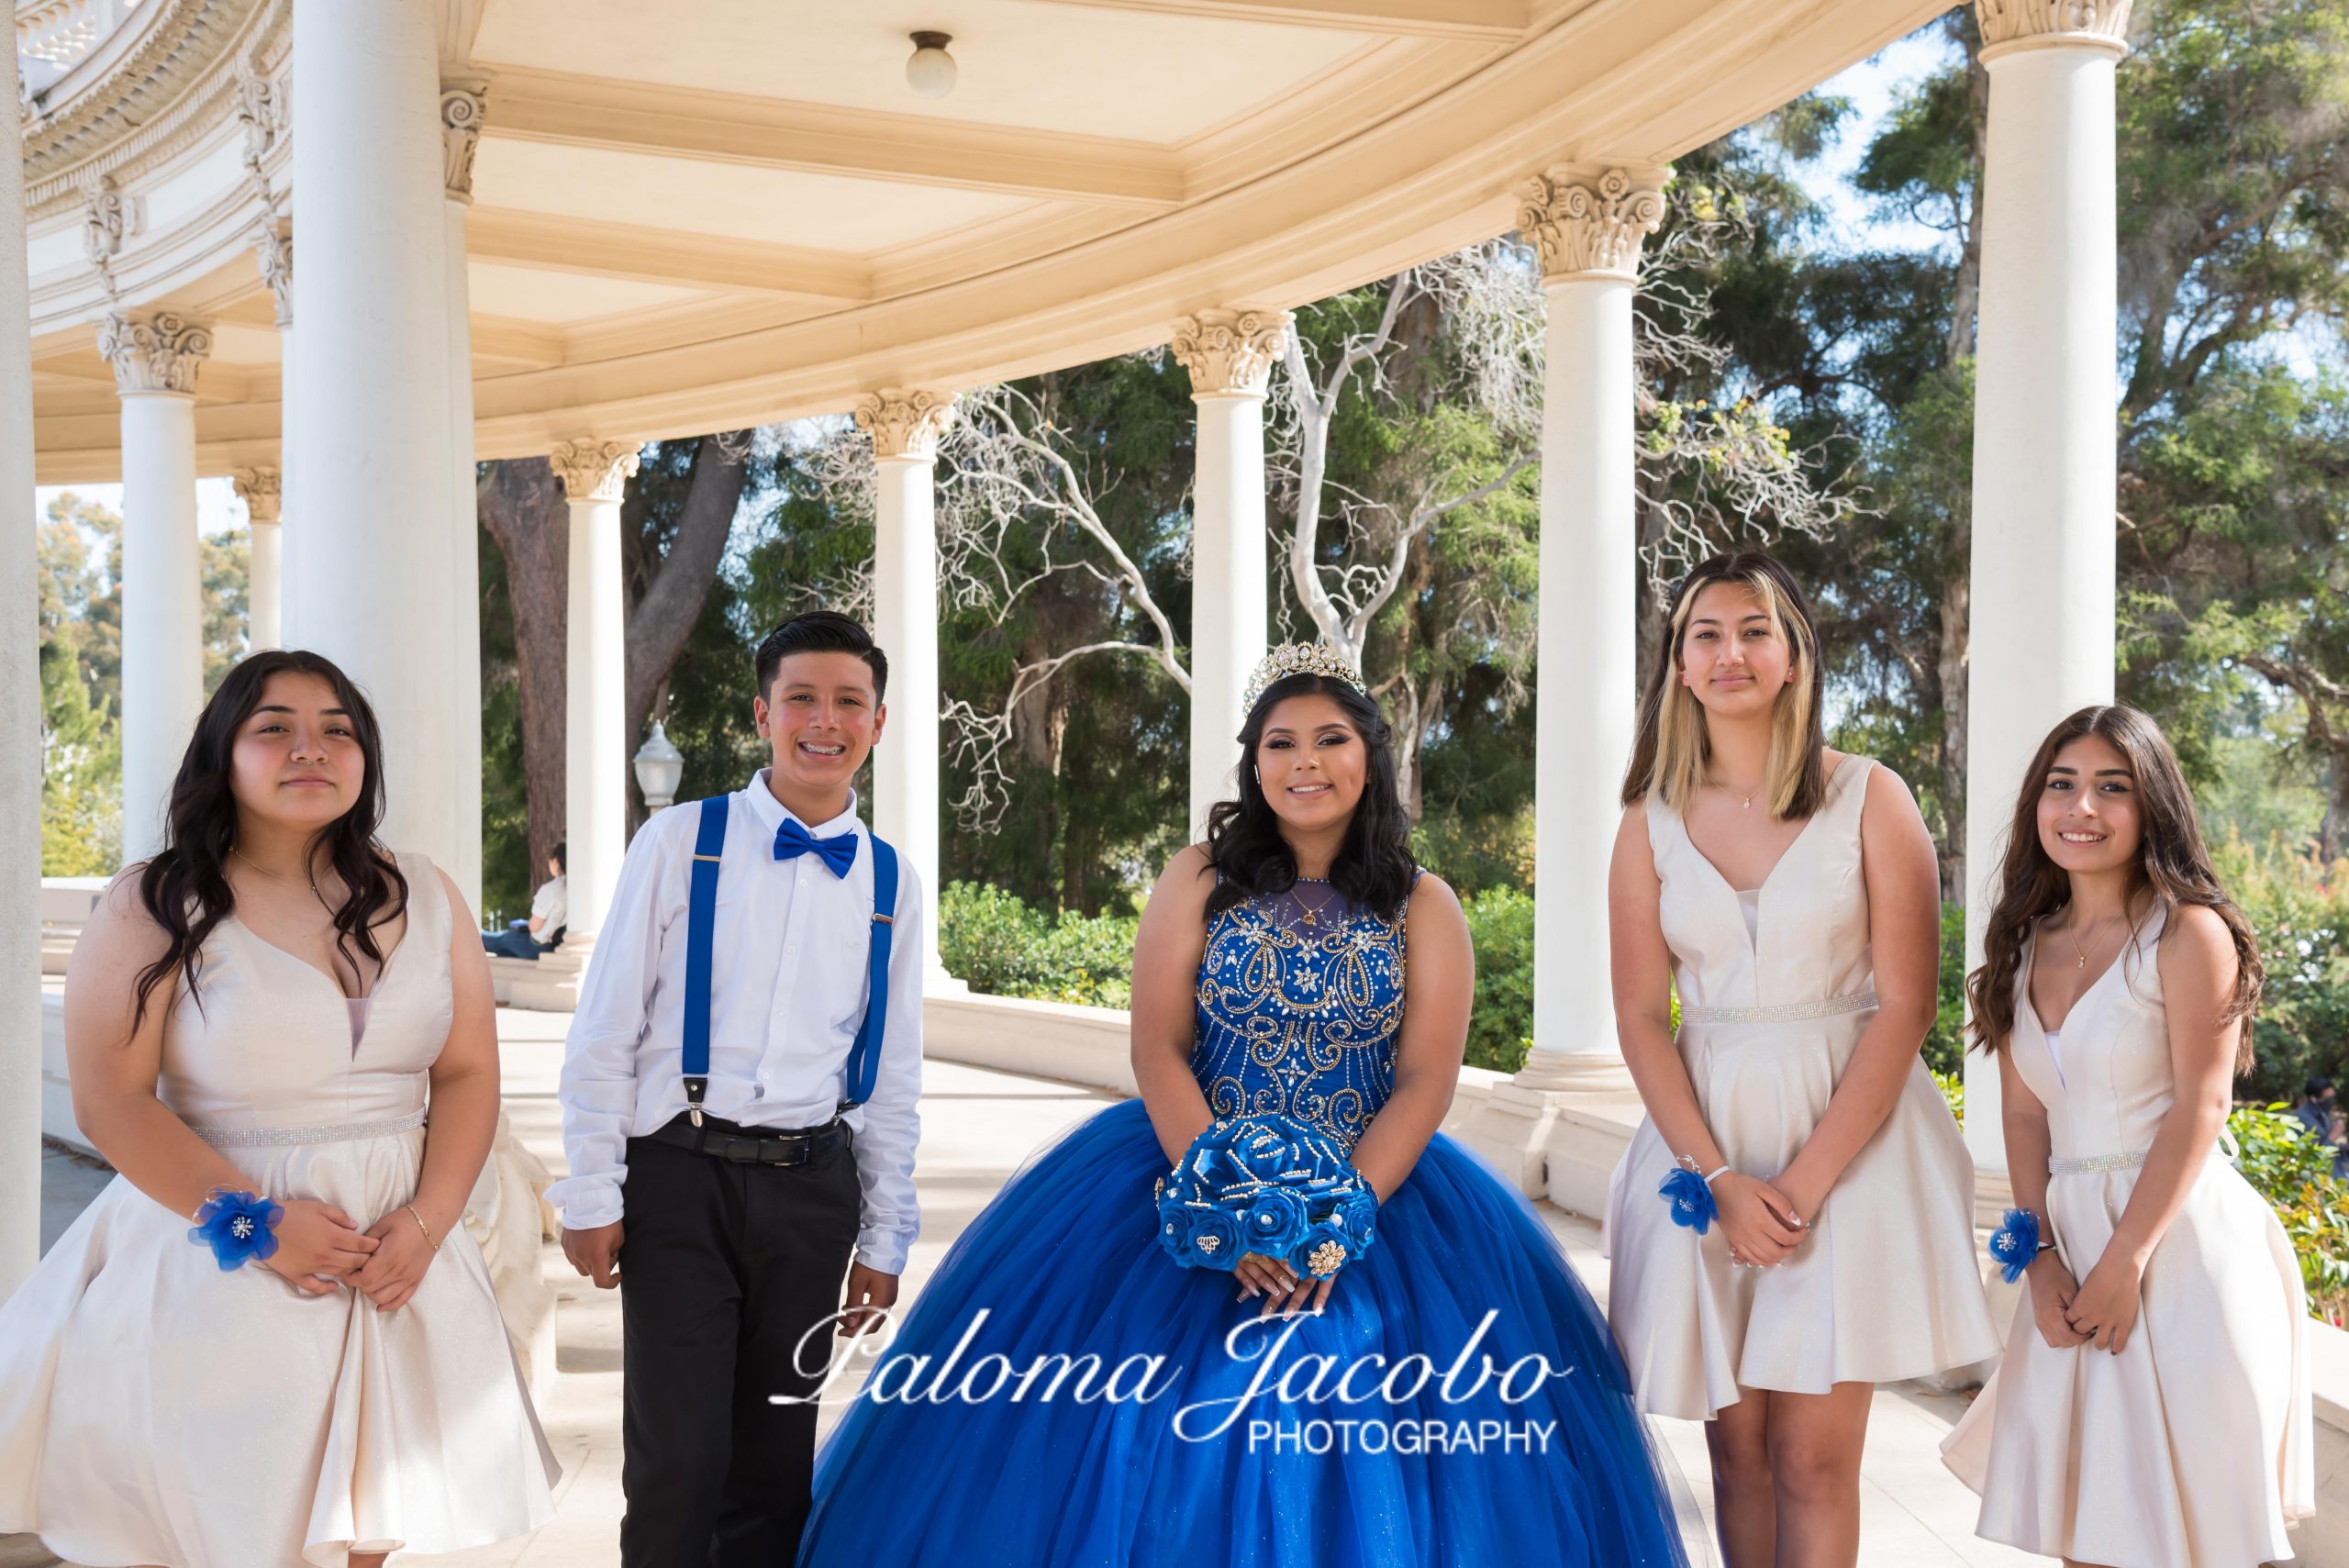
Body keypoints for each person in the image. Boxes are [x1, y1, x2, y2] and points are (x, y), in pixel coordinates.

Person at [796, 643, 1690, 1568]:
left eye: (1330, 738)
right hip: (1184, 1169)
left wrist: (1337, 1215)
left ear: (1370, 756)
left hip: (1377, 1194)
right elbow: (1157, 1047)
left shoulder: (1426, 906)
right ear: (1254, 765)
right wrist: (1222, 1195)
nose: (1304, 761)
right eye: (1279, 742)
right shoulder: (1197, 878)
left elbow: (1425, 1078)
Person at [0, 649, 559, 1567]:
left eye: (338, 728)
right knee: (233, 1529)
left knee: (361, 1539)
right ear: (223, 754)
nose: (313, 747)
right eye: (275, 728)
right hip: (221, 1262)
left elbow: (464, 1072)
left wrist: (427, 1221)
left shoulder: (426, 891)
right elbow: (111, 1101)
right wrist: (259, 1225)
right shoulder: (157, 899)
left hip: (392, 1260)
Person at [1603, 550, 1998, 1568]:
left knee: (1812, 1461)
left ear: (1794, 659)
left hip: (1851, 1148)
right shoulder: (1645, 819)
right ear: (1678, 667)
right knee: (1735, 1460)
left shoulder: (1870, 795)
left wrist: (1803, 1183)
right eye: (1705, 634)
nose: (1729, 651)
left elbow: (1907, 1004)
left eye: (1754, 631)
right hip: (1705, 1142)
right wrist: (1721, 1179)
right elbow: (1643, 1014)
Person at [547, 609, 924, 1567]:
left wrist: (884, 1233)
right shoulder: (680, 840)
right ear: (763, 713)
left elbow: (892, 1071)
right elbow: (606, 1029)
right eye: (801, 696)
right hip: (680, 1175)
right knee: (678, 1457)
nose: (823, 719)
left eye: (849, 700)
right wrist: (589, 1188)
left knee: (772, 1461)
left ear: (878, 723)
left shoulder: (889, 879)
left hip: (811, 1187)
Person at [1942, 704, 2313, 1566]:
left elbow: (2202, 1106)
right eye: (2061, 785)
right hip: (2068, 1251)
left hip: (2180, 1252)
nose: (2083, 807)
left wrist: (2125, 1261)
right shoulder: (2025, 943)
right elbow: (2025, 1114)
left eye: (2113, 787)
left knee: (2197, 1538)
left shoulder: (2189, 931)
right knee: (2087, 1532)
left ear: (2153, 806)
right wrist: (2036, 1261)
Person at [484, 841, 566, 960]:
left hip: (536, 946)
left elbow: (534, 926)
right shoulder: (572, 889)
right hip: (553, 946)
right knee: (504, 952)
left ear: (555, 861)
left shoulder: (552, 889)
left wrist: (527, 925)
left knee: (491, 940)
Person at [2291, 1077, 2348, 1178]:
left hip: (2336, 1171)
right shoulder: (2302, 1120)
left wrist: (2345, 1149)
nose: (2331, 1102)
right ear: (2313, 1098)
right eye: (2328, 1099)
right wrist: (2333, 1135)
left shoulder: (2322, 1114)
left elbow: (2326, 1146)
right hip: (2319, 1178)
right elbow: (2313, 1157)